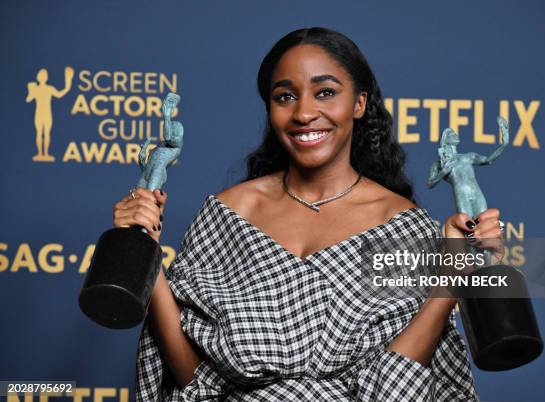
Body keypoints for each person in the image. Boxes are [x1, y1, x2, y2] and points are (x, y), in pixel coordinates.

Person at [113, 27, 503, 401]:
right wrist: (145, 254)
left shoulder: (403, 224)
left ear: (359, 103)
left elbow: (401, 387)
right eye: (285, 97)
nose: (304, 113)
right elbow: (192, 380)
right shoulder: (228, 213)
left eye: (325, 92)